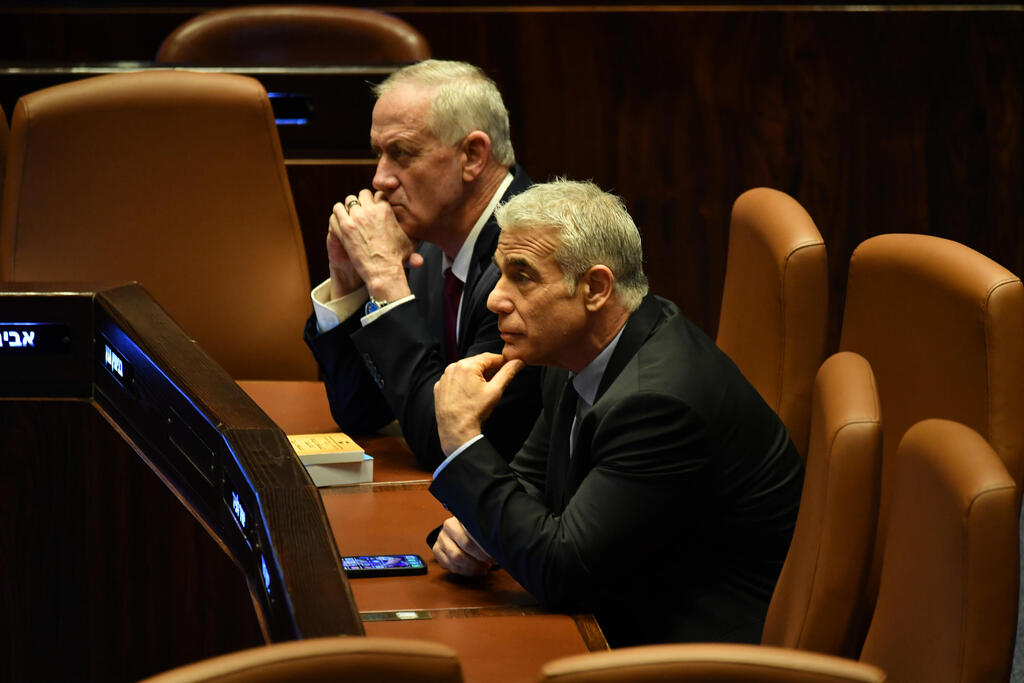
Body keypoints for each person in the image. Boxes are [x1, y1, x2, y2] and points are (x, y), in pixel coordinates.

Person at [429, 180, 805, 648]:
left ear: (595, 288)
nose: (495, 299)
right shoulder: (575, 351)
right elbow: (531, 482)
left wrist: (462, 439)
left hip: (692, 650)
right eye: (500, 273)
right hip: (624, 603)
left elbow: (562, 573)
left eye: (522, 276)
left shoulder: (659, 404)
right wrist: (477, 529)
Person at [303, 60, 540, 470]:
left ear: (472, 155)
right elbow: (362, 412)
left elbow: (449, 445)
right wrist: (349, 281)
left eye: (401, 154)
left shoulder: (528, 264)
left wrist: (385, 280)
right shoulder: (430, 249)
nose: (380, 179)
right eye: (379, 154)